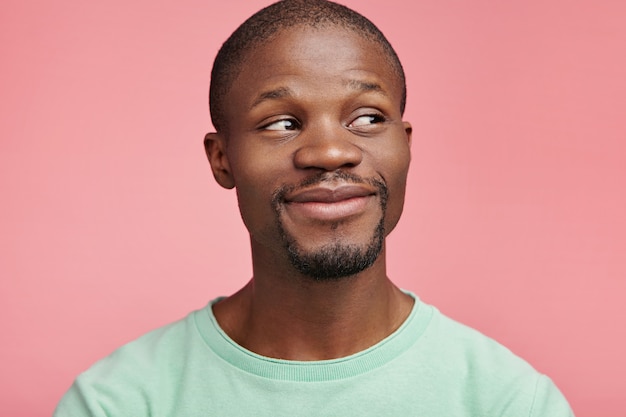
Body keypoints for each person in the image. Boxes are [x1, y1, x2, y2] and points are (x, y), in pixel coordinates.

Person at [54, 1, 574, 415]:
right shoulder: (117, 403)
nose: (330, 152)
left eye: (368, 118)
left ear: (406, 144)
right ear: (222, 159)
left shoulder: (509, 403)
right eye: (281, 122)